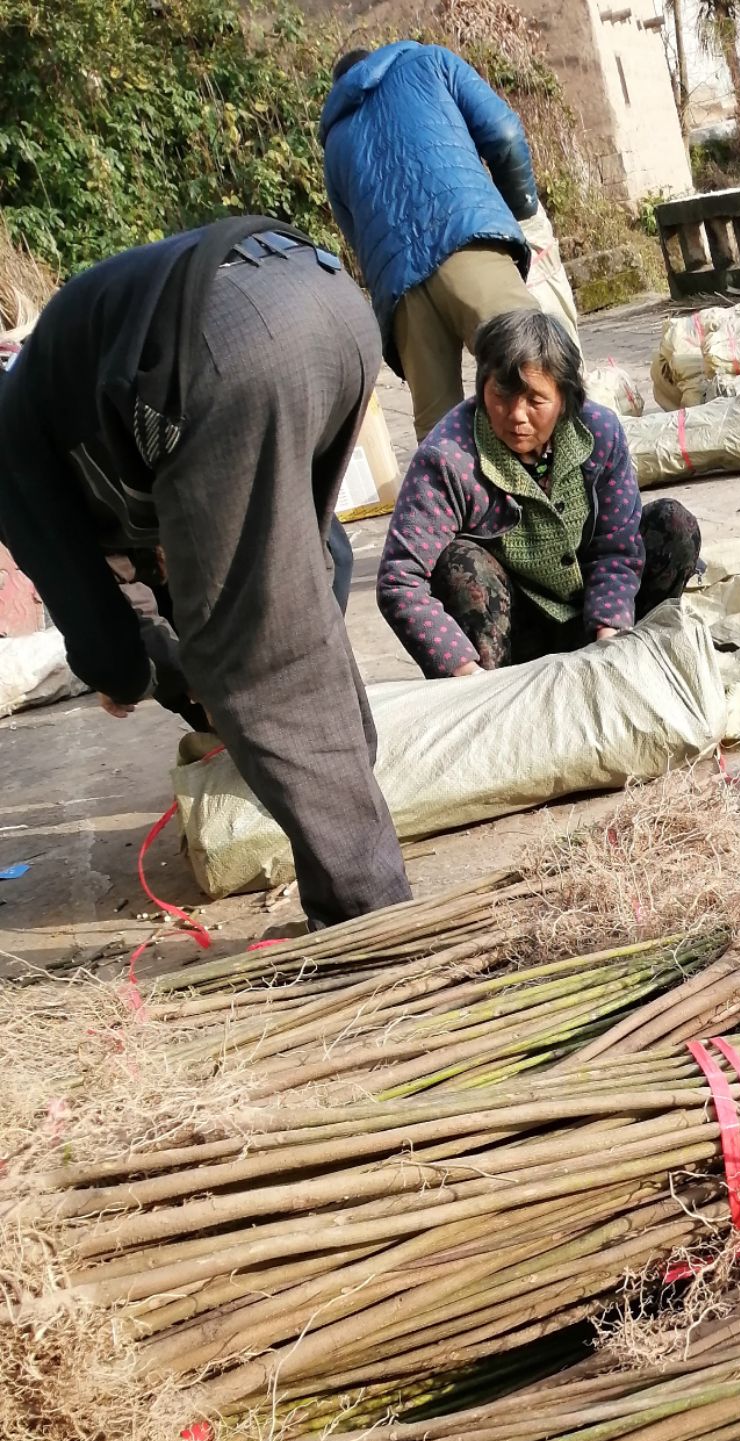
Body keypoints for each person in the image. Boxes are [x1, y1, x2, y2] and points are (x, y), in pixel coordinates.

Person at [0, 219, 412, 927]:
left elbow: (99, 633)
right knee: (286, 604)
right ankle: (347, 791)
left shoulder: (9, 440)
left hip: (227, 345)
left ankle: (366, 921)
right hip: (328, 298)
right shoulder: (52, 383)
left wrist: (136, 676)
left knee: (256, 665)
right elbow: (323, 560)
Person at [376, 309, 701, 678]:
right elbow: (399, 578)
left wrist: (608, 637)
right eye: (502, 394)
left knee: (674, 526)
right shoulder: (448, 458)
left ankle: (636, 659)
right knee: (458, 563)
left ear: (565, 398)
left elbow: (617, 548)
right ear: (483, 386)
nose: (516, 415)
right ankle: (498, 694)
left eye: (535, 400)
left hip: (592, 613)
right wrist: (463, 672)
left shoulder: (600, 433)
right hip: (514, 634)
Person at [321, 41, 546, 442]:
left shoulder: (334, 143)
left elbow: (357, 241)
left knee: (440, 437)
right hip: (468, 239)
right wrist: (521, 213)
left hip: (400, 290)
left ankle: (466, 505)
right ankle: (583, 500)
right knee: (534, 374)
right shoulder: (430, 62)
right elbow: (506, 135)